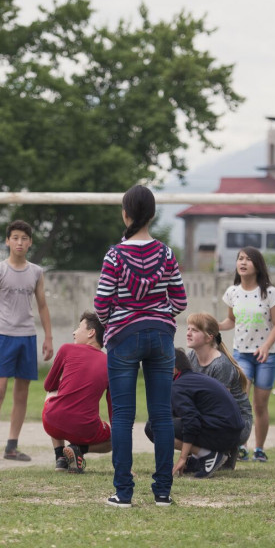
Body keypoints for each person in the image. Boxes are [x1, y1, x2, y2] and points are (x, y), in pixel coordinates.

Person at [94, 184, 187, 508]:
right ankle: (163, 492)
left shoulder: (115, 255)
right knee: (161, 415)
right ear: (152, 214)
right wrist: (159, 315)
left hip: (123, 336)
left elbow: (101, 301)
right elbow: (180, 299)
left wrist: (114, 322)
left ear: (126, 213)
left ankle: (124, 492)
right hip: (161, 336)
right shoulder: (165, 253)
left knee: (122, 416)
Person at [0, 220, 54, 464]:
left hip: (27, 337)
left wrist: (48, 337)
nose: (19, 242)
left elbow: (42, 305)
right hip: (3, 336)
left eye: (24, 238)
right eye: (15, 237)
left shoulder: (36, 272)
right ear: (8, 241)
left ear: (30, 242)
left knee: (22, 394)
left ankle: (12, 446)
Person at [218, 246, 275, 462]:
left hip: (267, 357)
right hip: (241, 355)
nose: (243, 262)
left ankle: (260, 449)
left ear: (258, 265)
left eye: (248, 259)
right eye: (240, 259)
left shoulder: (270, 292)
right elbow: (230, 321)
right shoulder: (232, 292)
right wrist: (214, 326)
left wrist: (265, 346)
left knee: (260, 404)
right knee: (240, 401)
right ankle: (241, 446)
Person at [145, 349, 244, 480]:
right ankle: (201, 457)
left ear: (173, 370)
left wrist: (182, 457)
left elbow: (191, 422)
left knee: (154, 426)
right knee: (161, 420)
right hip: (232, 434)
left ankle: (207, 455)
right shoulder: (193, 379)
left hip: (222, 433)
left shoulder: (178, 386)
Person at [42, 312, 112, 474]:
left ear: (91, 333)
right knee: (113, 441)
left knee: (53, 392)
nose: (74, 332)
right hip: (86, 428)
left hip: (52, 422)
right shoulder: (110, 363)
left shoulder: (66, 349)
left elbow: (49, 385)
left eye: (79, 327)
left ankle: (60, 457)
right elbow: (111, 405)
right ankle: (78, 449)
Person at [185, 312, 253, 466]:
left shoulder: (220, 365)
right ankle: (209, 454)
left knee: (187, 420)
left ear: (209, 337)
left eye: (194, 330)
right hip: (211, 417)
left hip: (236, 424)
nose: (188, 333)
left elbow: (221, 408)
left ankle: (223, 450)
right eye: (188, 329)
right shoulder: (190, 359)